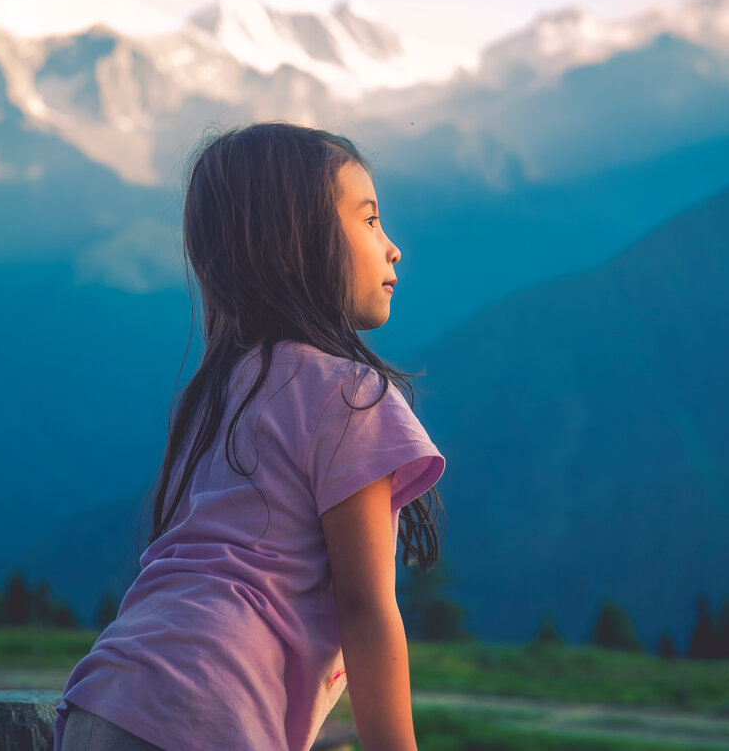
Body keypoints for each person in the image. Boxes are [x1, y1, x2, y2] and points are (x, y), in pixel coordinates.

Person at [55, 122, 445, 751]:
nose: (392, 246)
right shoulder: (351, 395)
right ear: (300, 244)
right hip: (206, 709)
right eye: (370, 220)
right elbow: (366, 609)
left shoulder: (219, 393)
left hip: (104, 693)